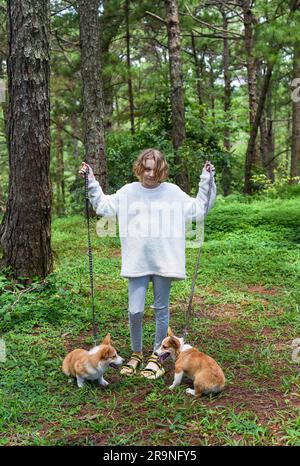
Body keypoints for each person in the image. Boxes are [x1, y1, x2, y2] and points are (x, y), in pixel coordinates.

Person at [79, 148, 216, 379]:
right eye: (146, 168)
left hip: (164, 260)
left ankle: (156, 356)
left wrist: (207, 180)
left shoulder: (172, 192)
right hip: (137, 261)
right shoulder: (128, 192)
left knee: (161, 310)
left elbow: (198, 209)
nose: (149, 173)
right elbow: (104, 206)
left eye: (154, 168)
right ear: (140, 168)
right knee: (135, 310)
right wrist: (91, 181)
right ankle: (136, 354)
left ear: (161, 169)